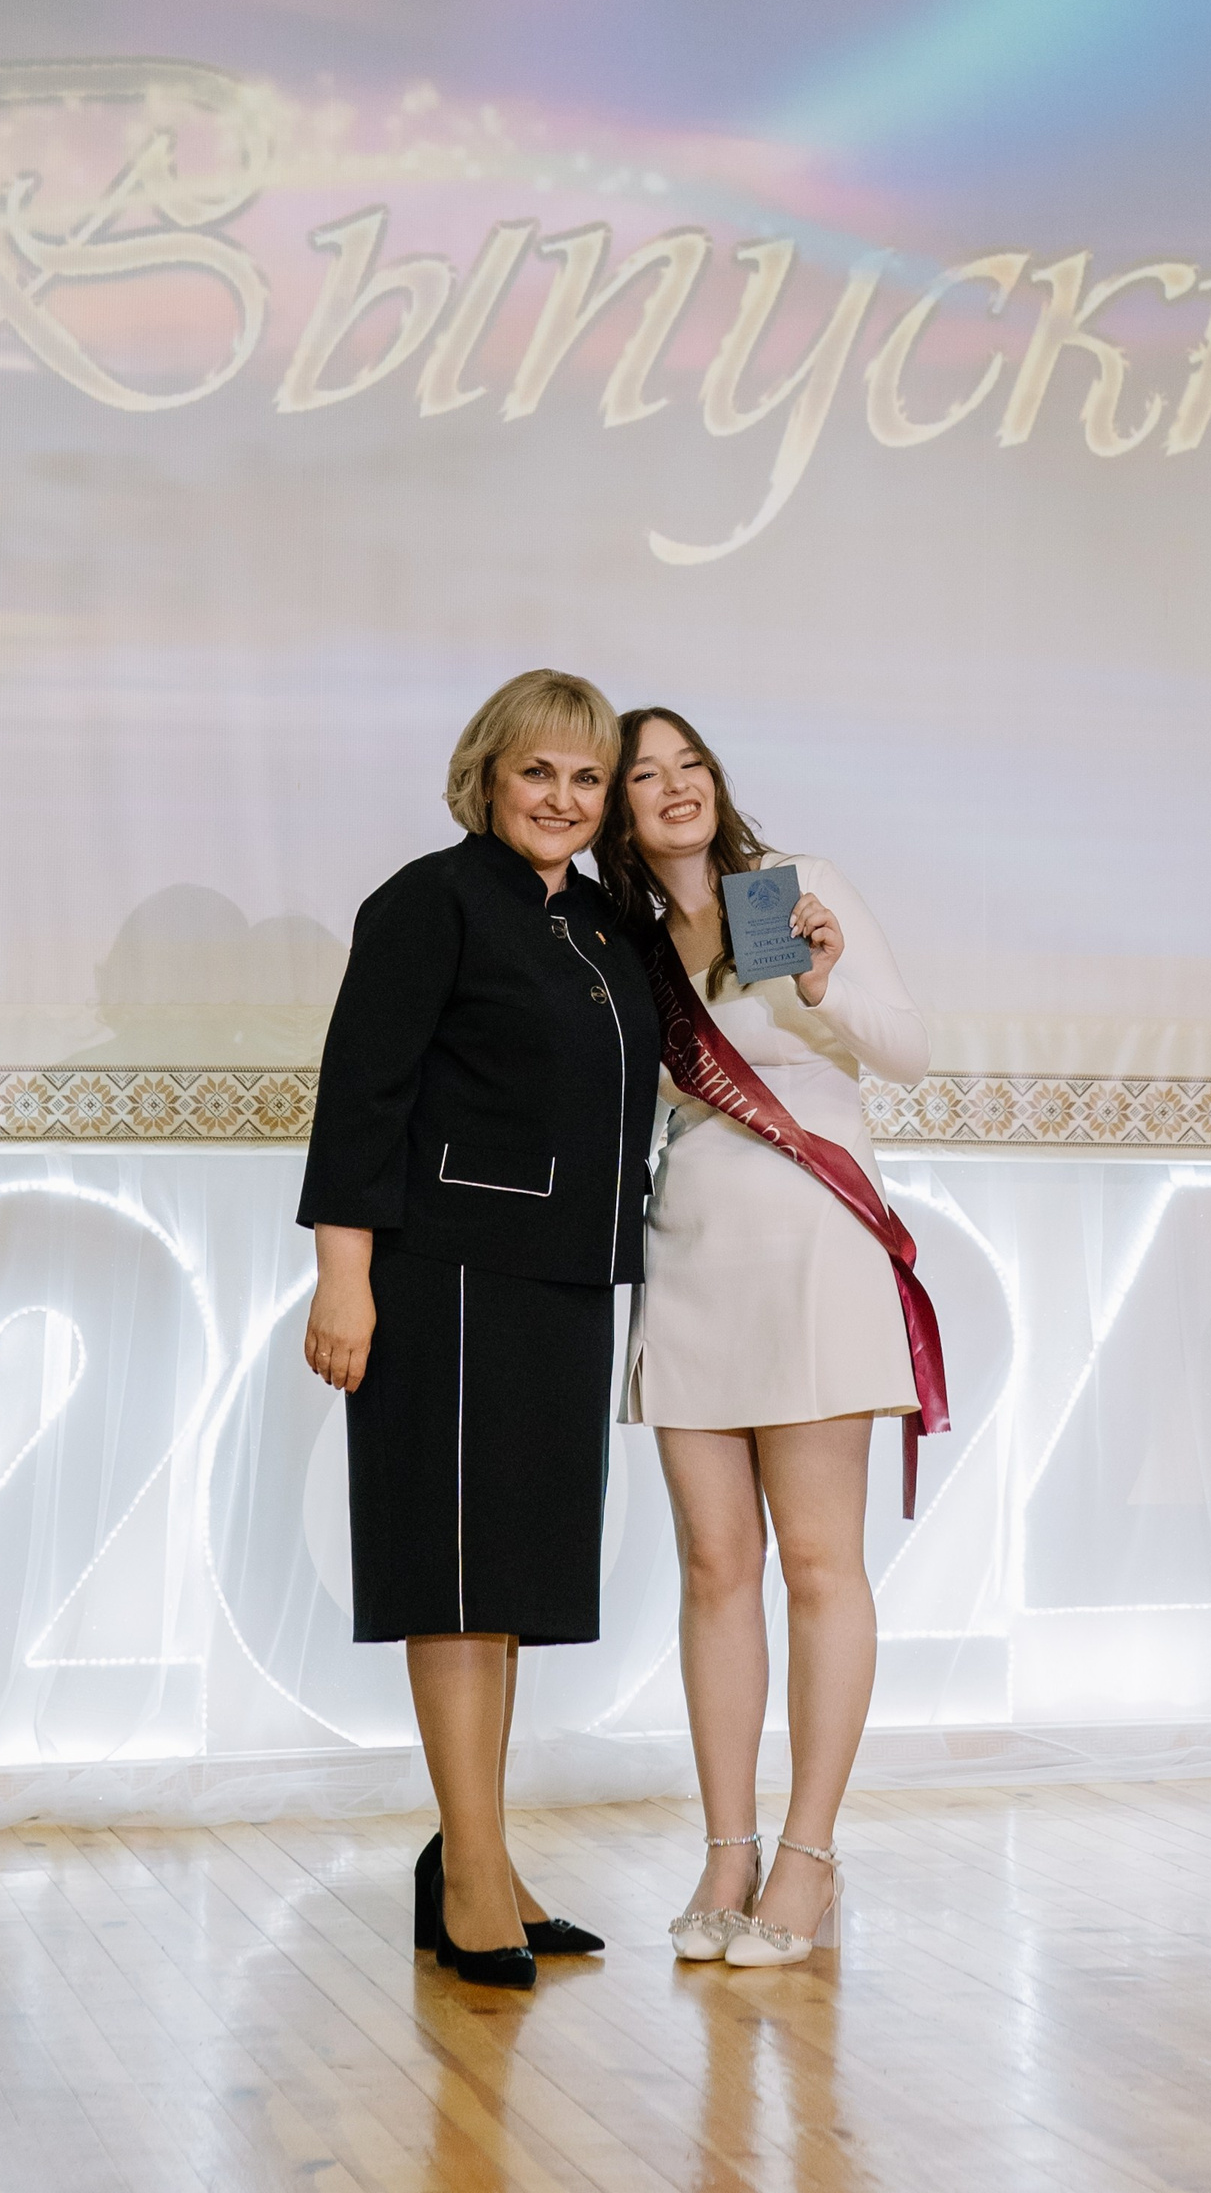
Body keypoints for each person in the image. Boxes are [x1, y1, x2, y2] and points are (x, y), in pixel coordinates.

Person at [299, 669, 661, 1990]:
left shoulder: (603, 926)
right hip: (445, 1276)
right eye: (538, 772)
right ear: (488, 777)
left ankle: (479, 1857)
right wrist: (345, 1278)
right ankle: (468, 1881)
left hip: (563, 1282)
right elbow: (361, 1099)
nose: (562, 798)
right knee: (454, 1583)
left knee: (503, 1586)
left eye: (586, 777)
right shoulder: (429, 902)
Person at [596, 708, 935, 1969]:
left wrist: (822, 980)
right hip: (691, 1251)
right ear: (618, 808)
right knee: (713, 1567)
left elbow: (908, 1054)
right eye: (644, 774)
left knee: (820, 1565)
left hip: (813, 1245)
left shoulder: (792, 890)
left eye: (689, 763)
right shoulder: (620, 940)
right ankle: (726, 1851)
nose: (674, 786)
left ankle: (809, 1856)